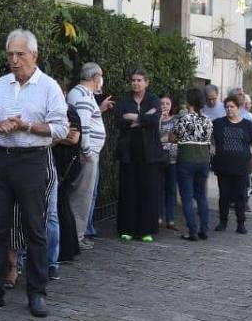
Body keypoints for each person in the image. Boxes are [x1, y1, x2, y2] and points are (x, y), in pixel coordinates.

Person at [0, 30, 69, 319]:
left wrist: (26, 126)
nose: (14, 60)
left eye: (20, 55)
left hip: (32, 161)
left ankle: (37, 293)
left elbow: (61, 129)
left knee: (35, 229)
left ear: (34, 56)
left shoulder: (49, 87)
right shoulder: (1, 84)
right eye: (10, 55)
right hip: (1, 160)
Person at [67, 63, 112, 249]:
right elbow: (84, 125)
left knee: (81, 195)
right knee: (82, 197)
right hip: (88, 154)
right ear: (95, 77)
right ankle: (76, 237)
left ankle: (76, 235)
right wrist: (87, 150)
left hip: (88, 152)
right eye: (101, 76)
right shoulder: (84, 96)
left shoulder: (80, 94)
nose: (101, 80)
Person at [115, 68, 163, 242]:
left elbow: (154, 119)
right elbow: (119, 121)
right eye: (133, 80)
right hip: (128, 152)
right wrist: (143, 118)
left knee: (148, 191)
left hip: (149, 154)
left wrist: (133, 117)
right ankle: (127, 228)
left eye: (139, 80)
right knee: (128, 191)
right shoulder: (124, 100)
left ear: (146, 82)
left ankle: (146, 230)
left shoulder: (154, 100)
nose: (136, 83)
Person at [211, 95, 252, 234]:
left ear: (238, 108)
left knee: (241, 196)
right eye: (226, 107)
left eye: (232, 106)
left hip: (241, 167)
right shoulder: (218, 123)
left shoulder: (248, 125)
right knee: (224, 196)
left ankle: (241, 223)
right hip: (223, 167)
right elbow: (209, 138)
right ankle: (223, 221)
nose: (229, 109)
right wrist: (212, 147)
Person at [173, 87, 213, 241]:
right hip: (203, 159)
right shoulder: (208, 120)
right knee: (201, 195)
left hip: (186, 159)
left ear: (189, 101)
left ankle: (192, 231)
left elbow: (173, 136)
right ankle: (204, 229)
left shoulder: (184, 119)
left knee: (187, 197)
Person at [52, 94, 83, 263]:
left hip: (66, 165)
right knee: (61, 205)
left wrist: (53, 138)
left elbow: (73, 139)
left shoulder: (69, 111)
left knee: (60, 205)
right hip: (60, 163)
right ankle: (66, 249)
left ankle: (66, 250)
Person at [158, 93, 180, 229]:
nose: (164, 106)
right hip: (158, 159)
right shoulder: (155, 119)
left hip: (173, 159)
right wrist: (159, 120)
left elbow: (175, 137)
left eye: (167, 104)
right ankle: (159, 217)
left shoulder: (177, 120)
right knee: (159, 188)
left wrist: (164, 138)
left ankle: (170, 219)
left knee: (171, 189)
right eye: (162, 103)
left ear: (171, 106)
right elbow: (153, 136)